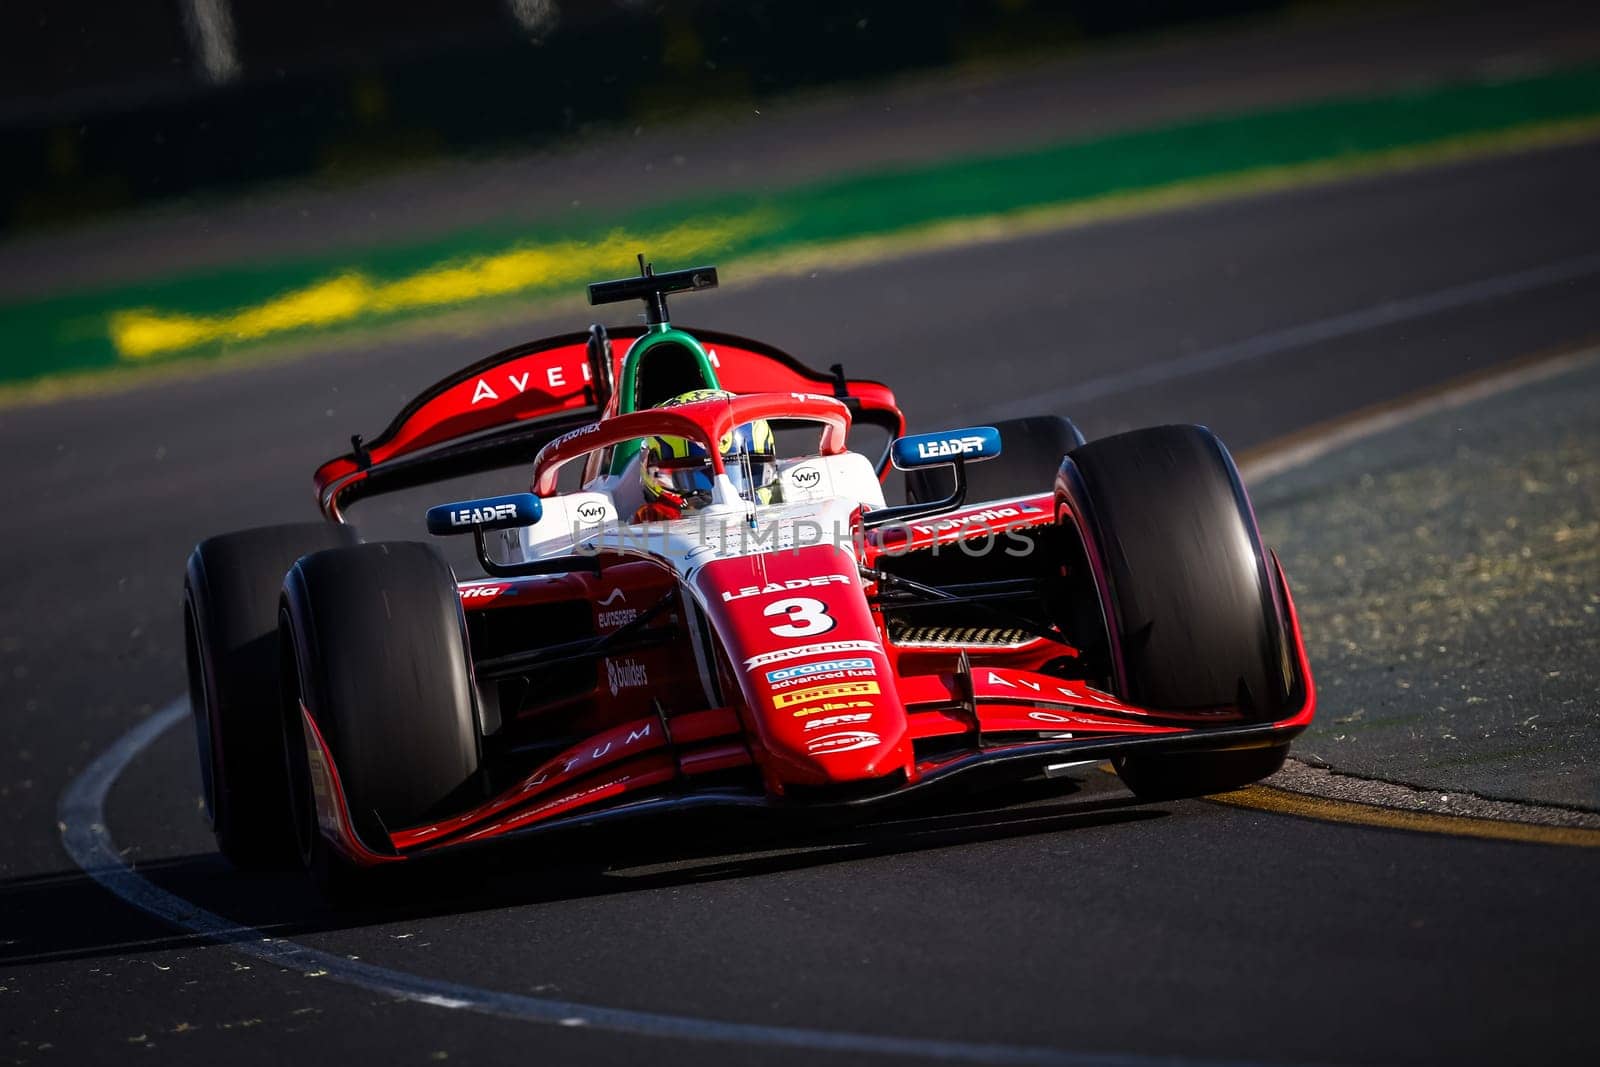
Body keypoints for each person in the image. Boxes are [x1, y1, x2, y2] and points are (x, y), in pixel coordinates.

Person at [633, 389, 779, 522]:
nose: (726, 499)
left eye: (743, 475)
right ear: (651, 471)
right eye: (697, 479)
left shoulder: (796, 487)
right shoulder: (644, 522)